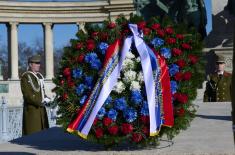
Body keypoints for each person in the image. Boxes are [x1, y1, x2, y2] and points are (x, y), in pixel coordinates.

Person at [20, 54, 50, 135]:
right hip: (32, 111)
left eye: (39, 63)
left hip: (41, 110)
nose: (38, 65)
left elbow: (42, 93)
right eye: (36, 63)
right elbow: (28, 95)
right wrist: (40, 102)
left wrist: (48, 99)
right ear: (30, 64)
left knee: (43, 135)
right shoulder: (26, 76)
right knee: (33, 134)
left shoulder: (39, 76)